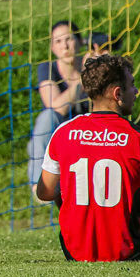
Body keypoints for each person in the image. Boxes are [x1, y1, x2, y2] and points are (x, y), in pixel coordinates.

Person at [36, 54, 140, 261]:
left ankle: (83, 233)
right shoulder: (139, 138)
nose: (136, 91)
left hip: (74, 252)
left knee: (63, 186)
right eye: (132, 84)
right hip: (125, 250)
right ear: (118, 93)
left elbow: (44, 193)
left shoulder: (63, 132)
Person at [28, 21, 89, 193]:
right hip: (57, 137)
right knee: (47, 117)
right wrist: (84, 78)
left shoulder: (93, 67)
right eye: (58, 41)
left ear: (80, 41)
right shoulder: (47, 68)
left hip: (87, 136)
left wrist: (101, 68)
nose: (65, 46)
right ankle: (38, 186)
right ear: (52, 47)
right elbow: (56, 106)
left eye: (69, 39)